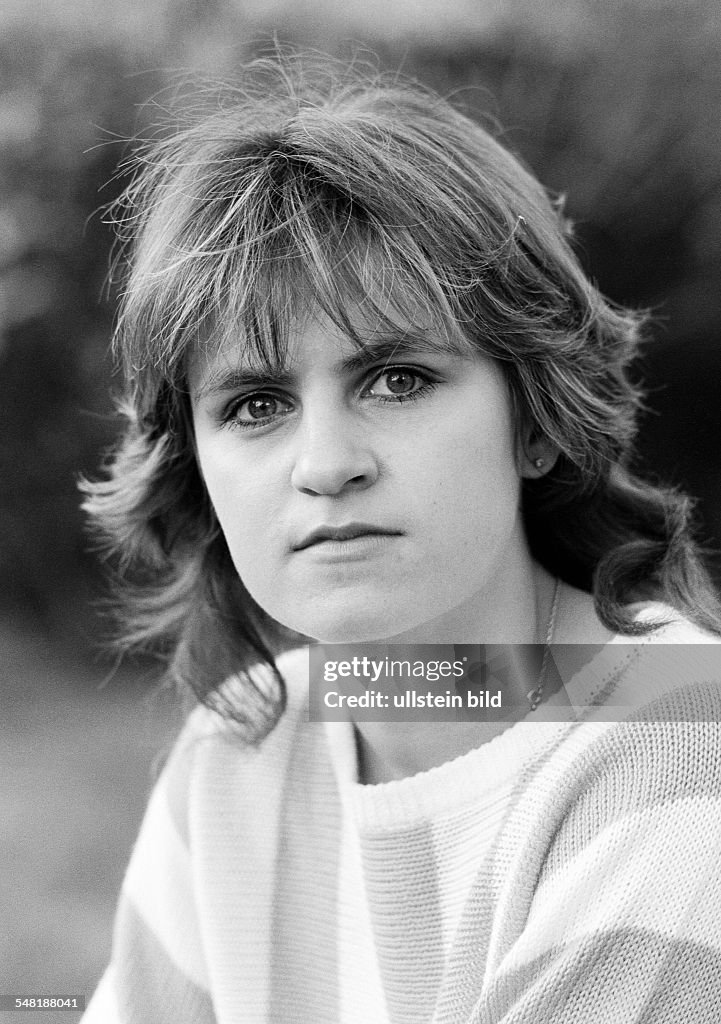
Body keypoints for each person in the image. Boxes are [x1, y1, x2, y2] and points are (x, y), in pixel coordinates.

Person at [81, 56, 721, 1023]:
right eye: (256, 403)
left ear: (537, 417)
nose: (325, 463)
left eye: (397, 379)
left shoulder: (682, 753)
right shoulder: (242, 750)